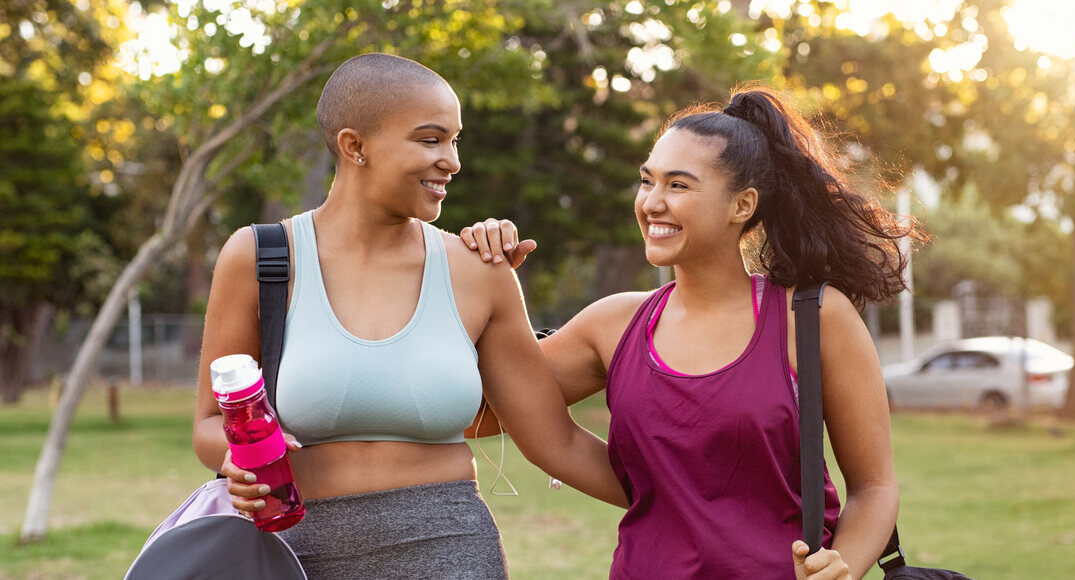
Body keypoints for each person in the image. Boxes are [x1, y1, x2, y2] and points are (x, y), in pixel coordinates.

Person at [192, 53, 626, 579]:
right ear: (355, 146)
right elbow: (210, 427)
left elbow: (553, 440)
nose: (452, 161)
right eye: (429, 139)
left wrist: (691, 499)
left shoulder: (479, 270)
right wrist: (239, 459)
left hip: (451, 549)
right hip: (295, 554)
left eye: (454, 140)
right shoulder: (259, 259)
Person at [462, 86, 918, 579]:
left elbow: (874, 489)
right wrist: (487, 287)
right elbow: (472, 416)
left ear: (741, 205)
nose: (652, 203)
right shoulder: (612, 325)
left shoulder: (813, 316)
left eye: (678, 186)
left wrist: (841, 569)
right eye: (646, 181)